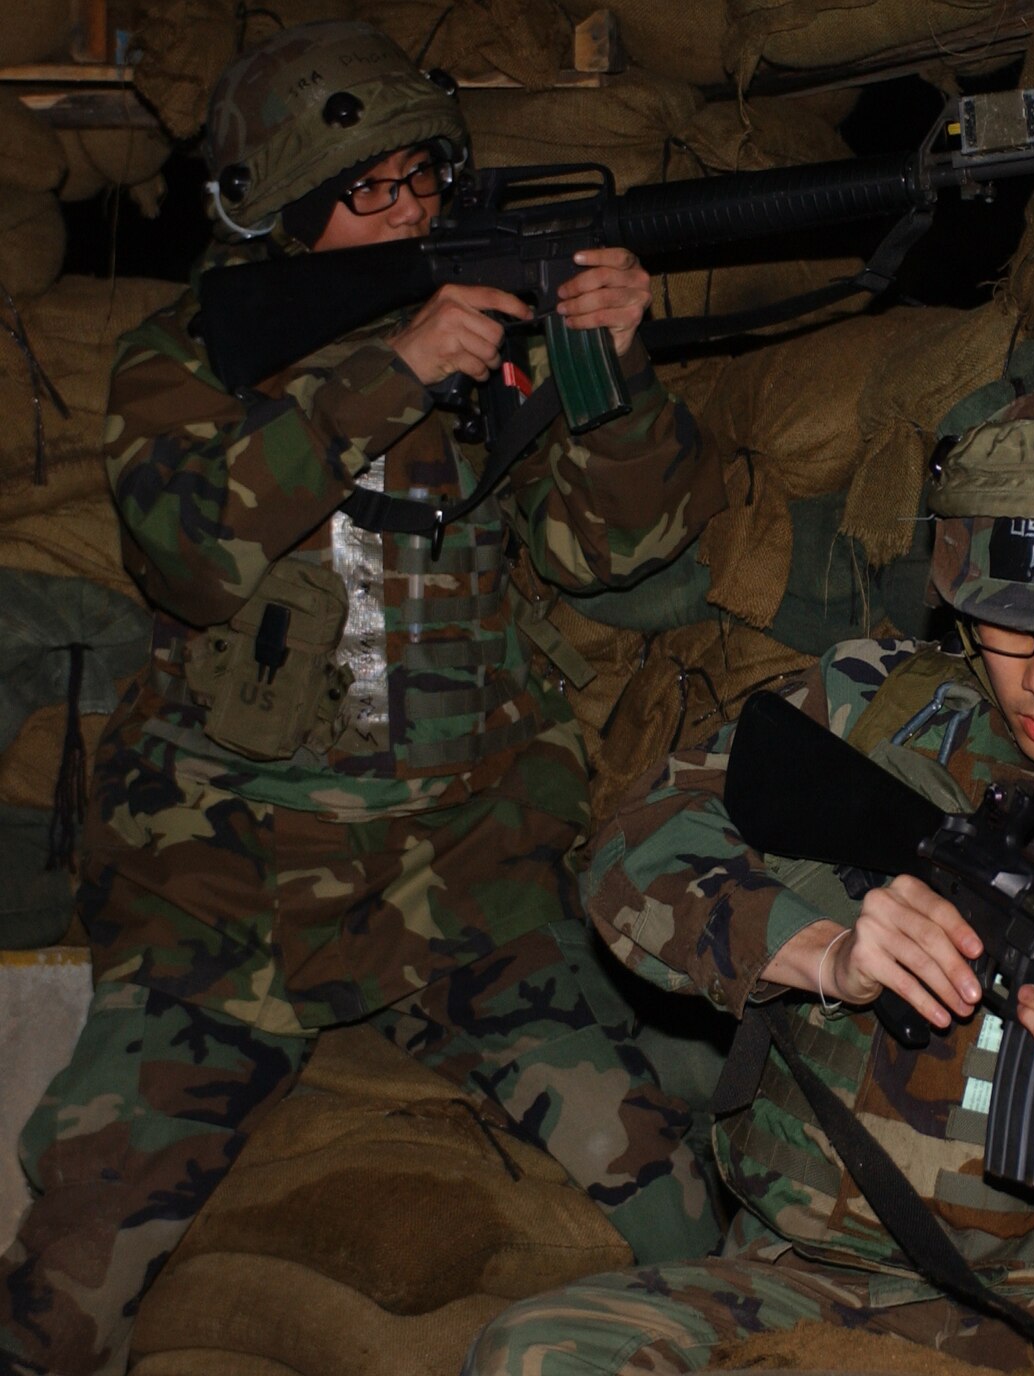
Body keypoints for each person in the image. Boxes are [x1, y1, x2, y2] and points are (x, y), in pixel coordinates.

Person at [1, 22, 727, 1376]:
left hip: (470, 887)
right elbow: (190, 552)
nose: (411, 212)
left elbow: (608, 553)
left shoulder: (495, 346)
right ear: (271, 204)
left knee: (671, 1210)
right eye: (367, 189)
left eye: (424, 179)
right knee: (68, 1290)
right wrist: (391, 372)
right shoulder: (190, 354)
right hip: (224, 902)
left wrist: (613, 383)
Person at [467, 390, 1034, 1376]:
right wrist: (825, 947)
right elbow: (632, 840)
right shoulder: (874, 704)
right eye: (1006, 627)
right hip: (799, 1274)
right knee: (536, 1350)